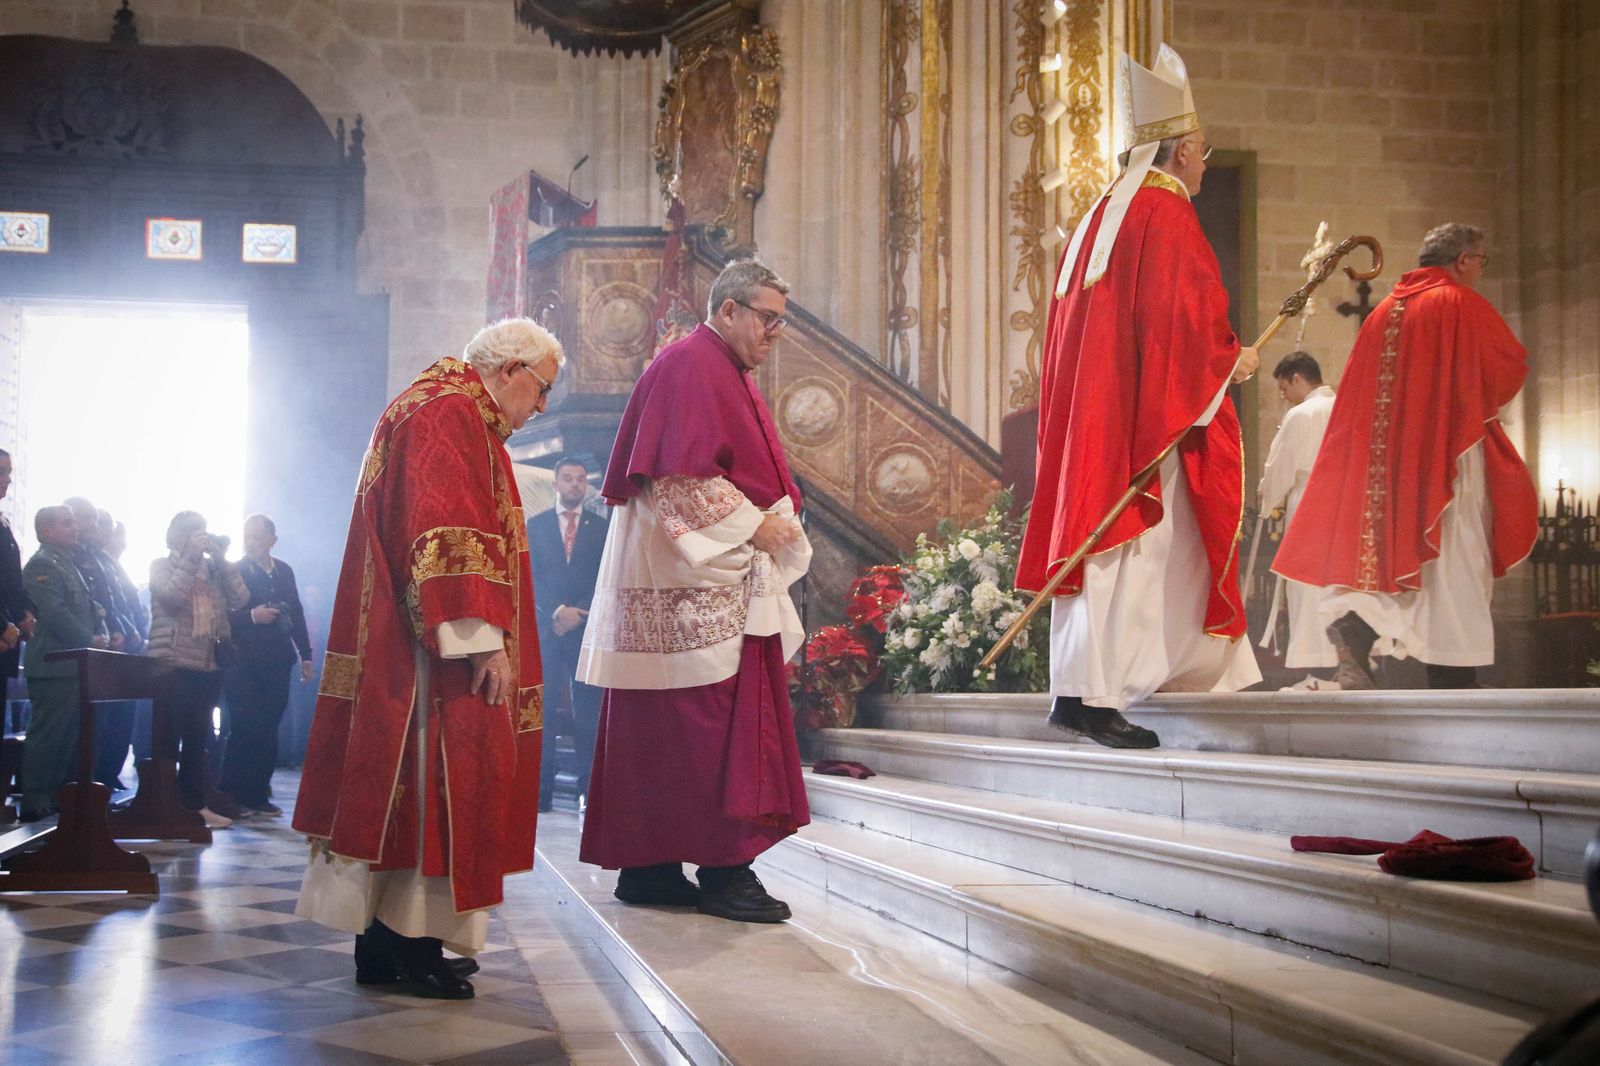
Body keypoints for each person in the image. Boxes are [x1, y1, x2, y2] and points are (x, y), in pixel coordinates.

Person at [293, 318, 560, 1001]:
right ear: (511, 370)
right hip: (429, 654)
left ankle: (391, 944)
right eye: (542, 389)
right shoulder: (450, 412)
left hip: (410, 638)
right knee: (432, 784)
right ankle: (408, 947)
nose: (541, 407)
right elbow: (444, 530)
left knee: (415, 791)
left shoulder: (443, 406)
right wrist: (483, 639)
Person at [1015, 44, 1260, 749]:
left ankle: (1082, 690)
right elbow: (1181, 318)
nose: (1205, 163)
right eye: (1202, 151)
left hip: (1095, 414)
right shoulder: (1167, 212)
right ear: (1180, 151)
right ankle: (1096, 697)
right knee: (1136, 548)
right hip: (1141, 417)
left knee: (1107, 551)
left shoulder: (1101, 214)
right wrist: (1229, 361)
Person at [577, 257, 811, 924]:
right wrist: (757, 526)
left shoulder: (715, 367)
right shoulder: (692, 365)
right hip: (692, 584)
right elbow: (678, 478)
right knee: (712, 727)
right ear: (728, 309)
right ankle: (724, 869)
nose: (774, 333)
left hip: (688, 576)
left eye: (782, 322)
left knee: (664, 729)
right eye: (767, 318)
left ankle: (649, 866)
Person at [1272, 223, 1537, 689]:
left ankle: (1358, 626)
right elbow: (1507, 368)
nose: (1479, 270)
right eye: (1480, 261)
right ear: (1462, 260)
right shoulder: (1458, 302)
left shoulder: (1383, 312)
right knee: (1456, 558)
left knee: (1399, 559)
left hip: (1389, 464)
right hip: (1447, 452)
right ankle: (1453, 674)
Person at [145, 511, 249, 828]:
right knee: (168, 735)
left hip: (208, 662)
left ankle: (193, 804)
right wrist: (190, 558)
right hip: (173, 662)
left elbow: (241, 598)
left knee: (198, 735)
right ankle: (161, 803)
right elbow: (170, 597)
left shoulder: (213, 570)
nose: (200, 538)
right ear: (179, 536)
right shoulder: (161, 566)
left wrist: (222, 561)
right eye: (194, 532)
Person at [17, 506, 108, 821]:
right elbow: (54, 613)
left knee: (67, 738)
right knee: (49, 736)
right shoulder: (42, 564)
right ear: (46, 531)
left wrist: (100, 633)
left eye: (73, 522)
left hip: (73, 665)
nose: (75, 528)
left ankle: (55, 797)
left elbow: (92, 609)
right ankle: (35, 800)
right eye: (66, 524)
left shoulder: (68, 564)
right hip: (53, 665)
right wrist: (88, 639)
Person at [218, 513, 313, 816]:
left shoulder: (284, 571)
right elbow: (221, 615)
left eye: (257, 537)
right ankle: (231, 793)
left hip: (278, 661)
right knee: (244, 725)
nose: (251, 542)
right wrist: (252, 617)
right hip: (244, 662)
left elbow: (296, 612)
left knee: (269, 726)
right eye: (247, 536)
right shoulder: (234, 571)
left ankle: (258, 793)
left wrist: (306, 653)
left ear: (272, 540)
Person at [527, 457, 607, 811]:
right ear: (556, 484)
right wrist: (557, 611)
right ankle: (541, 791)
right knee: (542, 712)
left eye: (580, 479)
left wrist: (579, 611)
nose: (575, 484)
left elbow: (605, 575)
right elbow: (530, 574)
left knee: (587, 712)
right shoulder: (536, 525)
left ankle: (588, 789)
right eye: (568, 478)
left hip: (585, 629)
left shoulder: (600, 528)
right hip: (547, 629)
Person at [1257, 353, 1338, 685]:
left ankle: (1317, 671)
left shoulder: (1302, 413)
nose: (1284, 396)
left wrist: (1267, 494)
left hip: (1309, 503)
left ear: (1297, 378)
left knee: (1306, 586)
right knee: (1334, 585)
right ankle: (1339, 666)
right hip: (1342, 503)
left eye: (1283, 388)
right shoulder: (1344, 406)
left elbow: (1282, 465)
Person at [0, 451, 33, 707]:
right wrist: (2, 624)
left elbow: (11, 580)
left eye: (9, 472)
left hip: (7, 638)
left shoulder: (4, 522)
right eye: (2, 472)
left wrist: (26, 613)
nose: (8, 480)